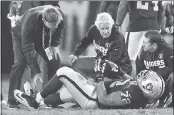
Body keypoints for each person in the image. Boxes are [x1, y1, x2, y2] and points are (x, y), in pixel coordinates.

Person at [14, 60, 165, 110]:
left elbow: (106, 100)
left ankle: (35, 100)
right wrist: (119, 72)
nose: (145, 77)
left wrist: (99, 81)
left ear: (147, 89)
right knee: (66, 94)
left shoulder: (134, 94)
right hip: (96, 94)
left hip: (94, 99)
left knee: (64, 72)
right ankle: (41, 103)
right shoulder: (142, 93)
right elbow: (129, 83)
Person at [7, 5, 64, 109]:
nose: (54, 28)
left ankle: (51, 99)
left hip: (41, 38)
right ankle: (12, 99)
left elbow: (59, 30)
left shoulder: (59, 16)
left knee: (55, 61)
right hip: (21, 36)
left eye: (55, 26)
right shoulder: (30, 19)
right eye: (51, 26)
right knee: (20, 62)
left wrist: (54, 45)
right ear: (44, 20)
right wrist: (36, 72)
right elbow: (27, 49)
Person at [70, 12, 132, 80]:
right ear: (98, 28)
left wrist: (96, 75)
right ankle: (85, 85)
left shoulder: (117, 37)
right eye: (102, 29)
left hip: (119, 68)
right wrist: (75, 54)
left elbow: (111, 63)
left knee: (103, 75)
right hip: (100, 62)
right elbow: (85, 42)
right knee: (76, 63)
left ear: (111, 26)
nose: (105, 31)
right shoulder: (93, 30)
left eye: (107, 28)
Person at [116, 1, 165, 78]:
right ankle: (154, 84)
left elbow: (123, 4)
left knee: (130, 59)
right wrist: (158, 26)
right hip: (154, 25)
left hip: (136, 26)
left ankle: (132, 85)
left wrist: (118, 23)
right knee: (155, 59)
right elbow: (161, 8)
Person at [139, 30, 173, 107]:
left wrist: (158, 75)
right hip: (152, 84)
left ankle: (168, 96)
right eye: (143, 42)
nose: (143, 45)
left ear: (154, 45)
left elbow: (171, 68)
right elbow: (141, 70)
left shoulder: (168, 51)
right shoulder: (143, 52)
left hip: (164, 81)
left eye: (146, 43)